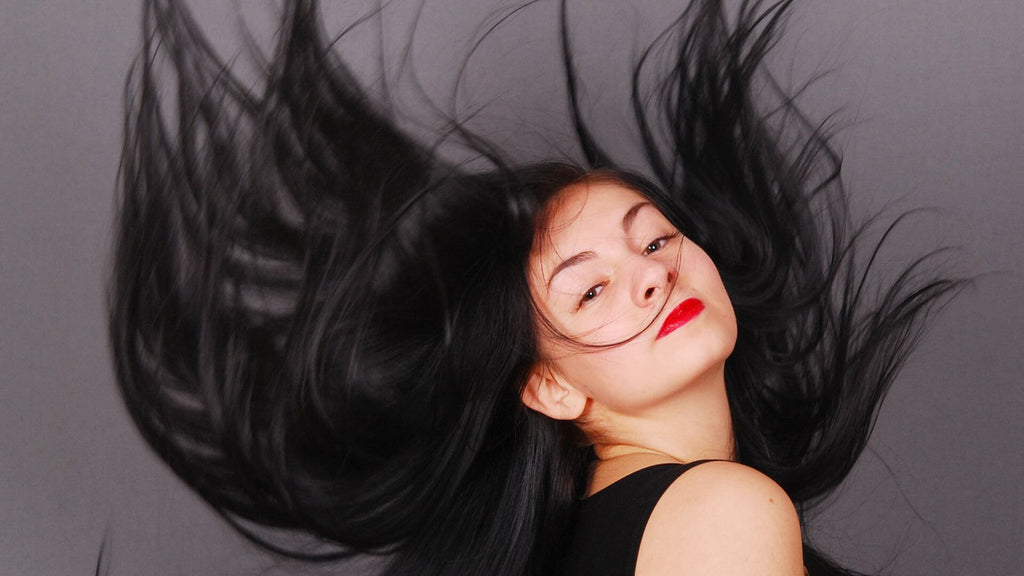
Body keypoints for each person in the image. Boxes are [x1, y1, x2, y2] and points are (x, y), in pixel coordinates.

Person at [108, 0, 962, 574]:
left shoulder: (608, 531)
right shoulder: (721, 510)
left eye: (657, 237)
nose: (654, 276)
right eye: (590, 291)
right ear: (547, 385)